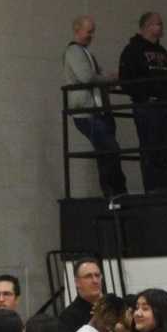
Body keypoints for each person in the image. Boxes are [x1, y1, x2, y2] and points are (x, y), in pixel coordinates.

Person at [64, 15, 127, 196]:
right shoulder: (74, 52)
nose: (91, 35)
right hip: (88, 112)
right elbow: (87, 77)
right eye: (89, 31)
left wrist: (107, 79)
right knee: (110, 149)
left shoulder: (85, 53)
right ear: (77, 30)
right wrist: (108, 79)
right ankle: (115, 191)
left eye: (93, 32)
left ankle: (113, 192)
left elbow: (93, 76)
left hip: (97, 111)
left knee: (106, 151)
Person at [119, 11, 167, 192]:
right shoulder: (132, 50)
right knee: (150, 148)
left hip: (165, 106)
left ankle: (165, 187)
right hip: (147, 106)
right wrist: (144, 96)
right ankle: (153, 188)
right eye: (158, 23)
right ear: (147, 26)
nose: (161, 27)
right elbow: (126, 80)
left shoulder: (162, 51)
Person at [57, 258, 104, 332]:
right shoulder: (68, 317)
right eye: (88, 276)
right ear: (77, 282)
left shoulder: (111, 306)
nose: (95, 281)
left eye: (97, 275)